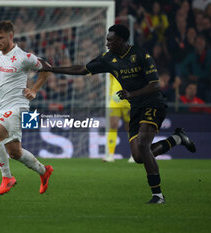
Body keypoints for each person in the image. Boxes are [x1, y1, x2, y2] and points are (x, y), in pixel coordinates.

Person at [40, 24, 196, 204]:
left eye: (110, 40)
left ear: (121, 40)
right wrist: (52, 69)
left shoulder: (141, 55)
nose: (106, 43)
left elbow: (155, 85)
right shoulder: (108, 59)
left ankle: (158, 195)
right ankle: (177, 139)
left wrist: (131, 94)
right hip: (135, 107)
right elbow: (82, 69)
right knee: (139, 156)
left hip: (153, 102)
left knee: (144, 145)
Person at [0, 21, 53, 196]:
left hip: (18, 107)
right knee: (14, 152)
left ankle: (7, 178)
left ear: (11, 36)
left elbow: (47, 68)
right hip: (2, 108)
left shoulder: (24, 57)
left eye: (1, 38)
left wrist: (34, 89)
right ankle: (44, 171)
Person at [103, 74, 132, 163]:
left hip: (128, 100)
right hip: (115, 100)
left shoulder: (132, 64)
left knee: (130, 128)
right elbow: (110, 82)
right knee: (113, 125)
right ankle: (110, 155)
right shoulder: (112, 65)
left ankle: (134, 154)